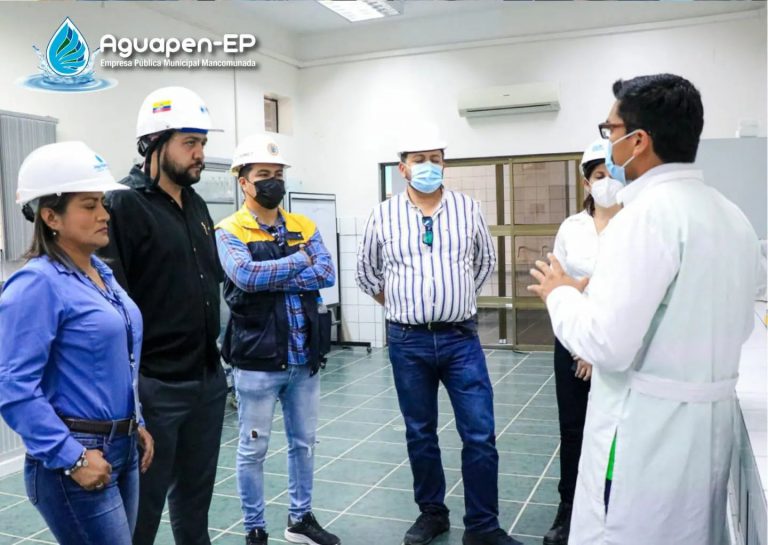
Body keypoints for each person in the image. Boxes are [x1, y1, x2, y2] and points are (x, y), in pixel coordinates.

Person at [527, 74, 761, 545]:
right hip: (706, 431)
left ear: (638, 141)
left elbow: (606, 345)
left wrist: (559, 294)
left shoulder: (645, 217)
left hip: (644, 433)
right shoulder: (731, 216)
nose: (607, 142)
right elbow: (739, 321)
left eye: (610, 130)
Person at [356, 131, 524, 545]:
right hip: (408, 341)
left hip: (460, 339)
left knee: (479, 433)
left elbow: (484, 262)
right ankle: (432, 514)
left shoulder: (468, 209)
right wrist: (403, 303)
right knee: (420, 432)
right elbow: (366, 272)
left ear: (444, 163)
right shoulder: (383, 214)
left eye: (435, 157)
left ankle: (482, 526)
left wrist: (455, 298)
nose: (428, 165)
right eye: (419, 159)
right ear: (403, 168)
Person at [0, 142, 154, 545]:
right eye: (89, 205)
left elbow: (119, 359)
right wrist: (73, 458)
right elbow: (13, 386)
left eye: (102, 203)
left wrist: (134, 421)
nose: (104, 214)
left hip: (120, 446)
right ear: (51, 216)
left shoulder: (101, 273)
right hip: (77, 455)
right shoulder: (37, 284)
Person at [101, 86, 228, 545]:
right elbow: (113, 304)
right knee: (143, 508)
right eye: (189, 143)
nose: (200, 154)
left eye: (203, 143)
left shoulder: (195, 204)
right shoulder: (121, 204)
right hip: (155, 386)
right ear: (153, 144)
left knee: (195, 503)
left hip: (206, 380)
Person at [215, 134, 338, 545]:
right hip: (257, 359)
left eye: (278, 174)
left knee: (304, 444)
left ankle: (300, 520)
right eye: (264, 174)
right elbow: (245, 277)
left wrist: (273, 275)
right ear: (243, 182)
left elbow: (326, 273)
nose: (273, 181)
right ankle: (255, 528)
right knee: (253, 450)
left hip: (304, 358)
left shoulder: (304, 225)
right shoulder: (229, 229)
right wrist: (300, 260)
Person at [543, 139, 622, 545]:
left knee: (617, 430)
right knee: (573, 428)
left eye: (613, 173)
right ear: (587, 183)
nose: (606, 181)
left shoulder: (637, 224)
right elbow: (557, 285)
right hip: (572, 345)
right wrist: (580, 346)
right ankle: (568, 507)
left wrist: (596, 347)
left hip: (619, 346)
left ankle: (614, 508)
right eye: (598, 175)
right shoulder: (571, 229)